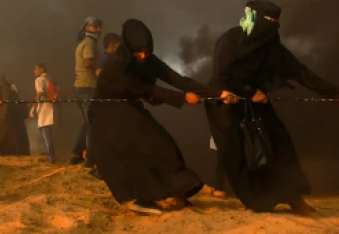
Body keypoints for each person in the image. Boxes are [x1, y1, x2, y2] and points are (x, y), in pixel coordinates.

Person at [206, 1, 339, 214]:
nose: (273, 26)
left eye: (276, 22)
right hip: (225, 103)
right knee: (237, 152)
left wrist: (337, 94)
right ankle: (259, 201)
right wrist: (250, 91)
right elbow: (222, 74)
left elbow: (300, 72)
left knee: (279, 143)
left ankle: (293, 196)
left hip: (256, 102)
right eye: (268, 21)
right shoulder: (231, 39)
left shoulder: (271, 46)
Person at [90, 19, 236, 215]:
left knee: (162, 144)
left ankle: (179, 190)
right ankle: (136, 199)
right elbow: (149, 90)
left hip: (129, 107)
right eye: (138, 53)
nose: (142, 56)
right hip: (106, 112)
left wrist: (218, 94)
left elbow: (177, 79)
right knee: (134, 149)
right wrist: (182, 98)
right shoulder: (118, 65)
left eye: (146, 52)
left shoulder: (149, 60)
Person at [70, 16, 102, 166]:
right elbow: (89, 63)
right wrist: (102, 69)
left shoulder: (84, 42)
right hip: (87, 86)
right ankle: (90, 159)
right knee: (92, 123)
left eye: (98, 26)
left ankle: (77, 153)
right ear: (87, 28)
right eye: (94, 26)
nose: (98, 29)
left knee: (87, 122)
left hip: (82, 86)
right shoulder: (89, 43)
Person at [0, 73, 30, 156]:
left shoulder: (5, 87)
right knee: (12, 134)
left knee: (3, 134)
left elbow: (6, 101)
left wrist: (4, 113)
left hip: (8, 115)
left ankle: (2, 152)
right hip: (12, 115)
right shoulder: (9, 87)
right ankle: (10, 151)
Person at [31, 63, 58, 163]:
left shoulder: (39, 80)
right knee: (47, 133)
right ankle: (49, 154)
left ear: (42, 69)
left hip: (45, 109)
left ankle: (51, 158)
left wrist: (33, 107)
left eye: (36, 69)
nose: (35, 71)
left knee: (46, 134)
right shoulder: (50, 78)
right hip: (52, 107)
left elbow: (40, 92)